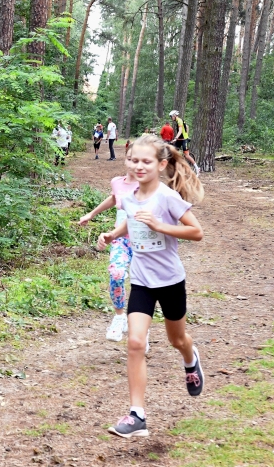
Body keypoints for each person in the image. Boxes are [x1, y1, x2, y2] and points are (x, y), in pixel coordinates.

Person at [96, 135, 205, 439]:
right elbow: (131, 222)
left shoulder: (167, 197)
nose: (138, 166)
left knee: (177, 339)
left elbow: (196, 232)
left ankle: (190, 359)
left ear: (161, 164)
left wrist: (160, 226)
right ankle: (137, 415)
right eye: (133, 160)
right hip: (142, 280)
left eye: (146, 161)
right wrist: (112, 234)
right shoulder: (129, 197)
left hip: (170, 280)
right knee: (135, 343)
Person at [77, 149, 148, 350]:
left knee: (143, 286)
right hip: (120, 240)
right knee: (116, 274)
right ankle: (119, 317)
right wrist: (91, 214)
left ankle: (142, 330)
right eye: (131, 159)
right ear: (125, 160)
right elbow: (114, 198)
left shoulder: (148, 185)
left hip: (144, 243)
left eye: (140, 160)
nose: (135, 164)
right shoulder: (117, 182)